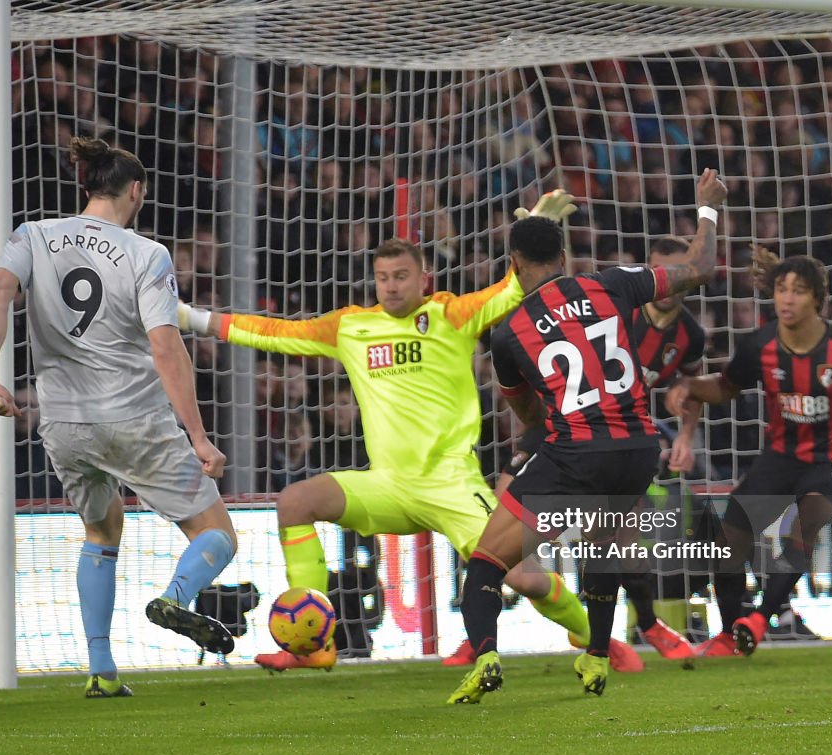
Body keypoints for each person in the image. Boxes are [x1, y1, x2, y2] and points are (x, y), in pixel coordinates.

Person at [179, 192, 626, 672]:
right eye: (383, 278)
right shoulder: (352, 327)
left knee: (525, 578)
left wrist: (537, 230)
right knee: (294, 502)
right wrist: (192, 318)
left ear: (423, 278)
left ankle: (595, 638)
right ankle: (312, 645)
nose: (391, 287)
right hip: (389, 484)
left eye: (401, 277)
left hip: (452, 485)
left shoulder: (451, 315)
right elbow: (272, 332)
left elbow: (513, 290)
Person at [448, 168, 727, 704]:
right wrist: (708, 207)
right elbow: (700, 267)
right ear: (564, 257)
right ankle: (597, 656)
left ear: (514, 265)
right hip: (641, 449)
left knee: (486, 562)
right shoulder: (611, 282)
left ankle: (484, 655)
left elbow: (527, 411)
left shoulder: (507, 334)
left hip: (578, 450)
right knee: (601, 547)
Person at [0, 136, 240, 699]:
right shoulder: (148, 254)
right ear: (136, 191)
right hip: (135, 419)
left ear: (87, 186)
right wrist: (198, 436)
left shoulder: (33, 235)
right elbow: (166, 347)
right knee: (216, 534)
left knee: (101, 529)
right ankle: (175, 598)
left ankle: (101, 669)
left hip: (64, 425)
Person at [665, 247, 832, 658]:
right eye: (782, 289)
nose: (787, 299)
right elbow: (724, 388)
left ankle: (762, 617)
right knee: (731, 533)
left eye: (798, 291)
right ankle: (732, 632)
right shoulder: (759, 346)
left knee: (806, 522)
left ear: (817, 299)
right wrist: (689, 386)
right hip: (782, 455)